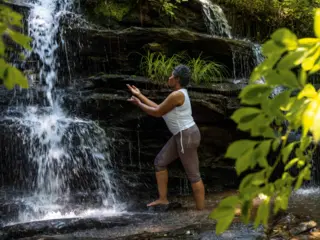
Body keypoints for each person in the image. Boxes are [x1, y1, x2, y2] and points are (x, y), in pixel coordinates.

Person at [127, 64, 205, 210]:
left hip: (186, 135)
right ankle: (163, 199)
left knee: (194, 175)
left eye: (171, 75)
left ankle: (201, 213)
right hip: (182, 135)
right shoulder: (178, 94)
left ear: (177, 79)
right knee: (160, 162)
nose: (168, 78)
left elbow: (156, 113)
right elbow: (159, 109)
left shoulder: (177, 95)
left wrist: (138, 104)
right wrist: (139, 95)